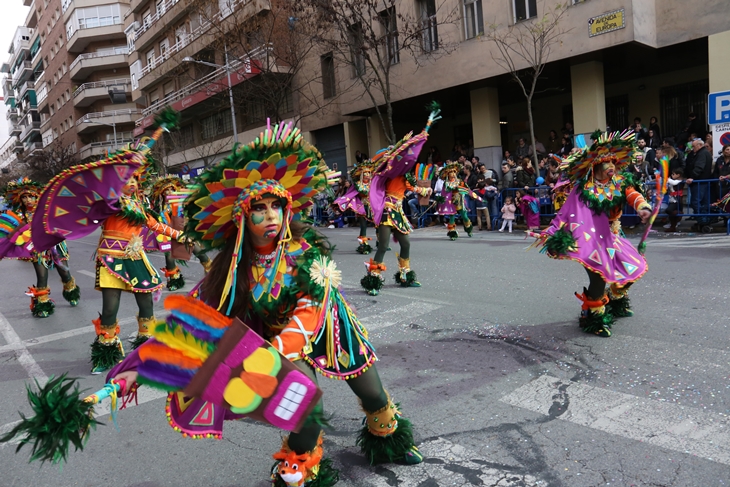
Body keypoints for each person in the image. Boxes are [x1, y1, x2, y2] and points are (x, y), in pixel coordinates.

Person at [106, 121, 424, 485]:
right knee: (305, 404)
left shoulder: (304, 253)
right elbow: (191, 320)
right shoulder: (231, 268)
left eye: (277, 206)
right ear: (243, 216)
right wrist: (135, 370)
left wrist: (273, 355)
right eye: (260, 208)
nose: (271, 215)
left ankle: (387, 439)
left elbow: (310, 311)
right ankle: (300, 461)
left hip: (330, 331)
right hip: (278, 345)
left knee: (373, 396)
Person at [531, 131, 652, 338]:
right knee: (599, 278)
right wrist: (551, 232)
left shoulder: (619, 183)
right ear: (595, 166)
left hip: (613, 237)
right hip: (589, 241)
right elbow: (565, 215)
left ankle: (615, 300)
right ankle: (594, 318)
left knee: (634, 267)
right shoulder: (583, 190)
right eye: (606, 162)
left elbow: (632, 194)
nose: (611, 166)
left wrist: (643, 207)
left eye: (613, 161)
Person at [361, 107, 438, 296]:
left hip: (398, 212)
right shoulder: (391, 172)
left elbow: (415, 189)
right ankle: (374, 279)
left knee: (406, 244)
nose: (409, 163)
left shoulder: (405, 177)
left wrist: (427, 190)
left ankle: (405, 275)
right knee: (383, 245)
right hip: (387, 210)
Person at [0, 178, 81, 317]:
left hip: (55, 246)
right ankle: (43, 305)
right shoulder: (21, 215)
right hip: (37, 248)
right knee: (42, 277)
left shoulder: (47, 209)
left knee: (64, 273)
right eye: (24, 197)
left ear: (37, 196)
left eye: (30, 196)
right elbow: (15, 232)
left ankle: (71, 290)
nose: (27, 200)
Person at [148, 176, 212, 291]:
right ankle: (175, 280)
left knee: (198, 251)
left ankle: (211, 272)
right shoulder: (160, 209)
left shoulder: (181, 204)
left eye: (171, 190)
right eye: (165, 192)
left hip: (184, 233)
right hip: (168, 236)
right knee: (169, 256)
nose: (168, 193)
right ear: (162, 195)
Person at [335, 159, 378, 254]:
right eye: (365, 173)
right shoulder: (359, 184)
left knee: (378, 225)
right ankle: (363, 245)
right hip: (361, 207)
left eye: (369, 173)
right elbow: (362, 191)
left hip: (372, 207)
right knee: (363, 226)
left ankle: (380, 243)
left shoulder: (373, 184)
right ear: (362, 174)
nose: (367, 174)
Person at [437, 162, 475, 240]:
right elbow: (444, 192)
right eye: (451, 172)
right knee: (452, 217)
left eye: (454, 171)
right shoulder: (446, 183)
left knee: (464, 216)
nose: (453, 173)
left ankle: (469, 229)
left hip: (460, 200)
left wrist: (471, 194)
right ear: (447, 174)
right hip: (450, 201)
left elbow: (467, 189)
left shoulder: (460, 181)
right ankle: (452, 233)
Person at [685, 139, 713, 229]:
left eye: (694, 146)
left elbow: (699, 167)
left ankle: (702, 219)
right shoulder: (705, 153)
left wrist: (692, 177)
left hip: (699, 181)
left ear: (699, 145)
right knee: (704, 202)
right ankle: (704, 220)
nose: (693, 149)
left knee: (696, 202)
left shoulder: (701, 154)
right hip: (704, 181)